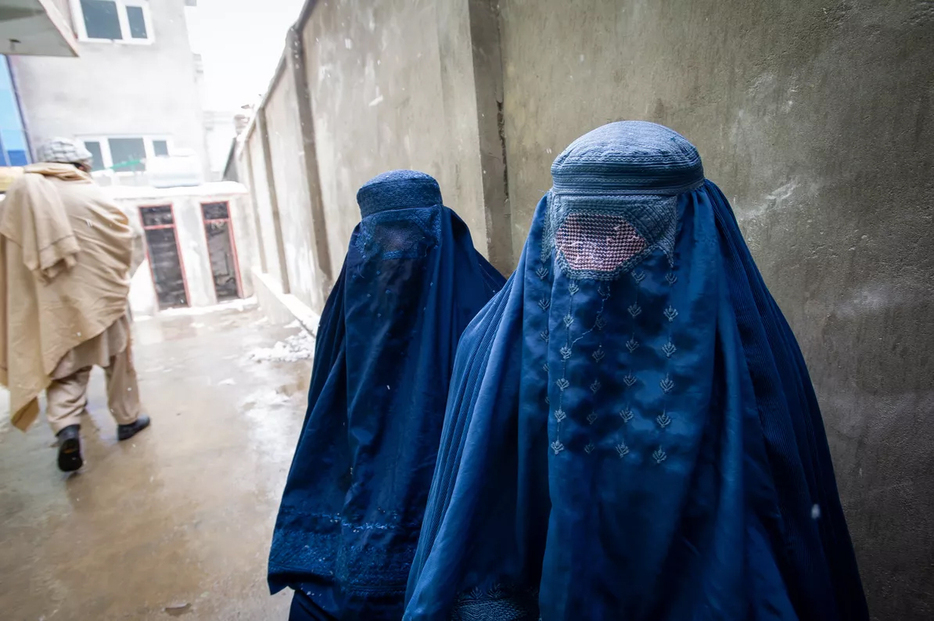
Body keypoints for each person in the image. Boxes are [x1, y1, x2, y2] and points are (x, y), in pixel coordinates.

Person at [405, 122, 869, 620]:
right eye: (576, 237)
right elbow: (474, 530)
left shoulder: (752, 366)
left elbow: (788, 534)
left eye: (622, 235)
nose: (593, 261)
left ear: (690, 231)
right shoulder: (489, 353)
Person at [268, 170, 504, 620]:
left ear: (438, 227)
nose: (396, 251)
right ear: (364, 241)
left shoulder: (490, 303)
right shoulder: (349, 306)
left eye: (409, 235)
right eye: (383, 238)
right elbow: (327, 407)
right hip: (366, 475)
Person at [0, 138, 150, 473]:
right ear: (81, 166)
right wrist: (116, 277)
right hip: (100, 299)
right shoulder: (90, 194)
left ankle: (67, 428)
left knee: (64, 371)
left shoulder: (17, 198)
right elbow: (131, 238)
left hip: (51, 309)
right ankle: (126, 420)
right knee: (117, 361)